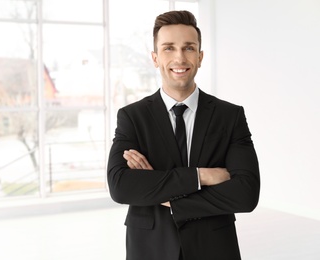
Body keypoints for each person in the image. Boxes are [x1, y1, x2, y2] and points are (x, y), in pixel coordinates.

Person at [107, 10, 260, 260]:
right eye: (169, 48)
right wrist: (202, 176)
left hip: (213, 247)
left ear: (200, 57)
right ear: (155, 58)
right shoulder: (132, 117)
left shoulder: (229, 116)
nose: (179, 58)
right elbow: (121, 186)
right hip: (150, 247)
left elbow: (246, 193)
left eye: (188, 48)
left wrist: (164, 193)